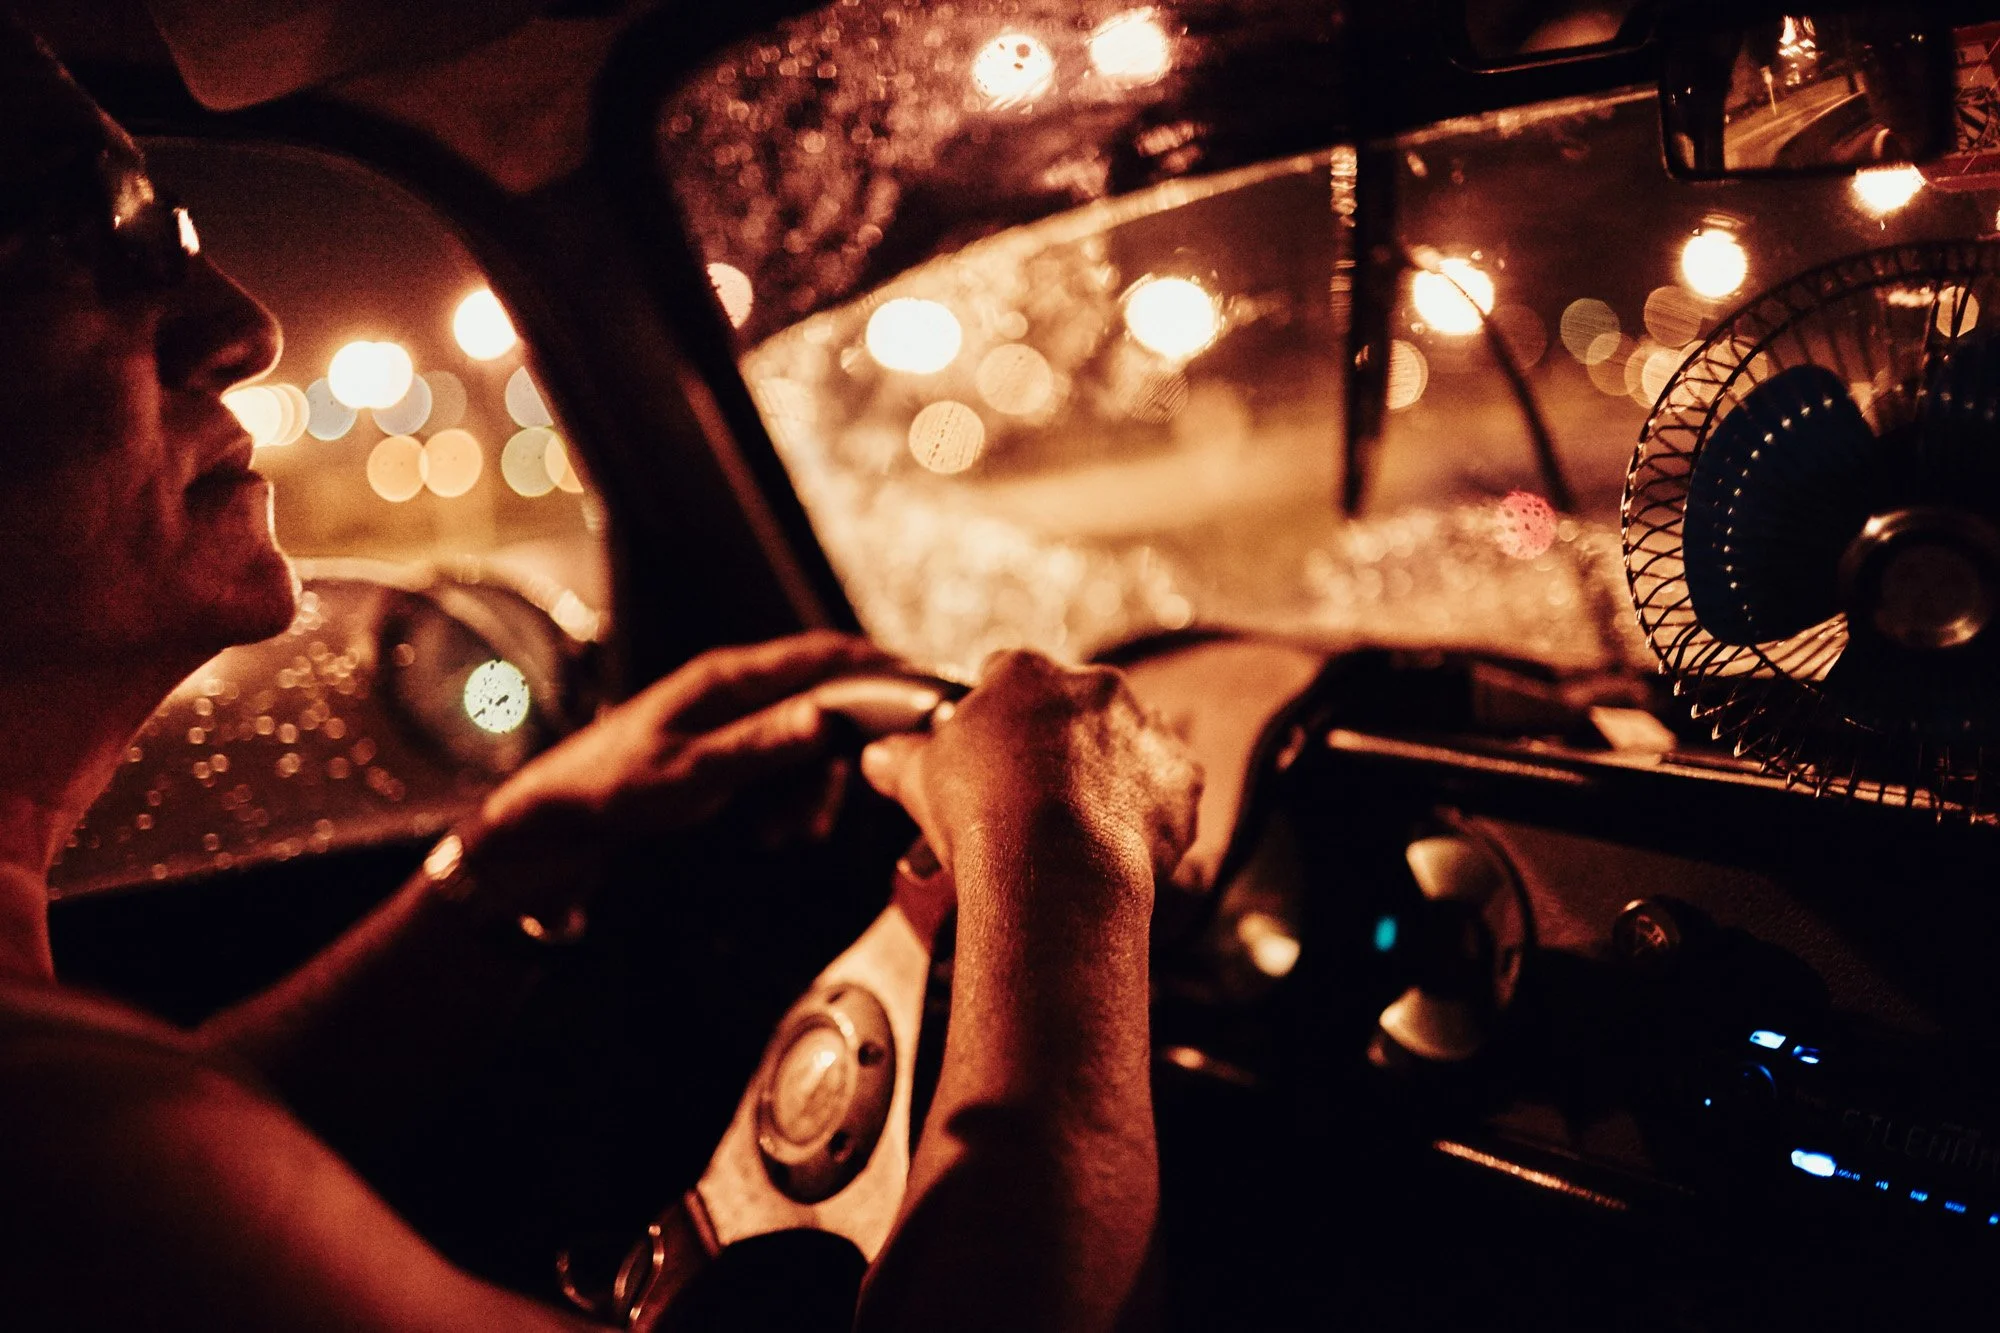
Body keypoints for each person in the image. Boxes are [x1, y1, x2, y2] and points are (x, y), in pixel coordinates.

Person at [0, 19, 1202, 1333]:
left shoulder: (69, 1118)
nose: (243, 326)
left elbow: (185, 1176)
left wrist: (503, 864)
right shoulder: (52, 1133)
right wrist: (1067, 862)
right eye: (91, 227)